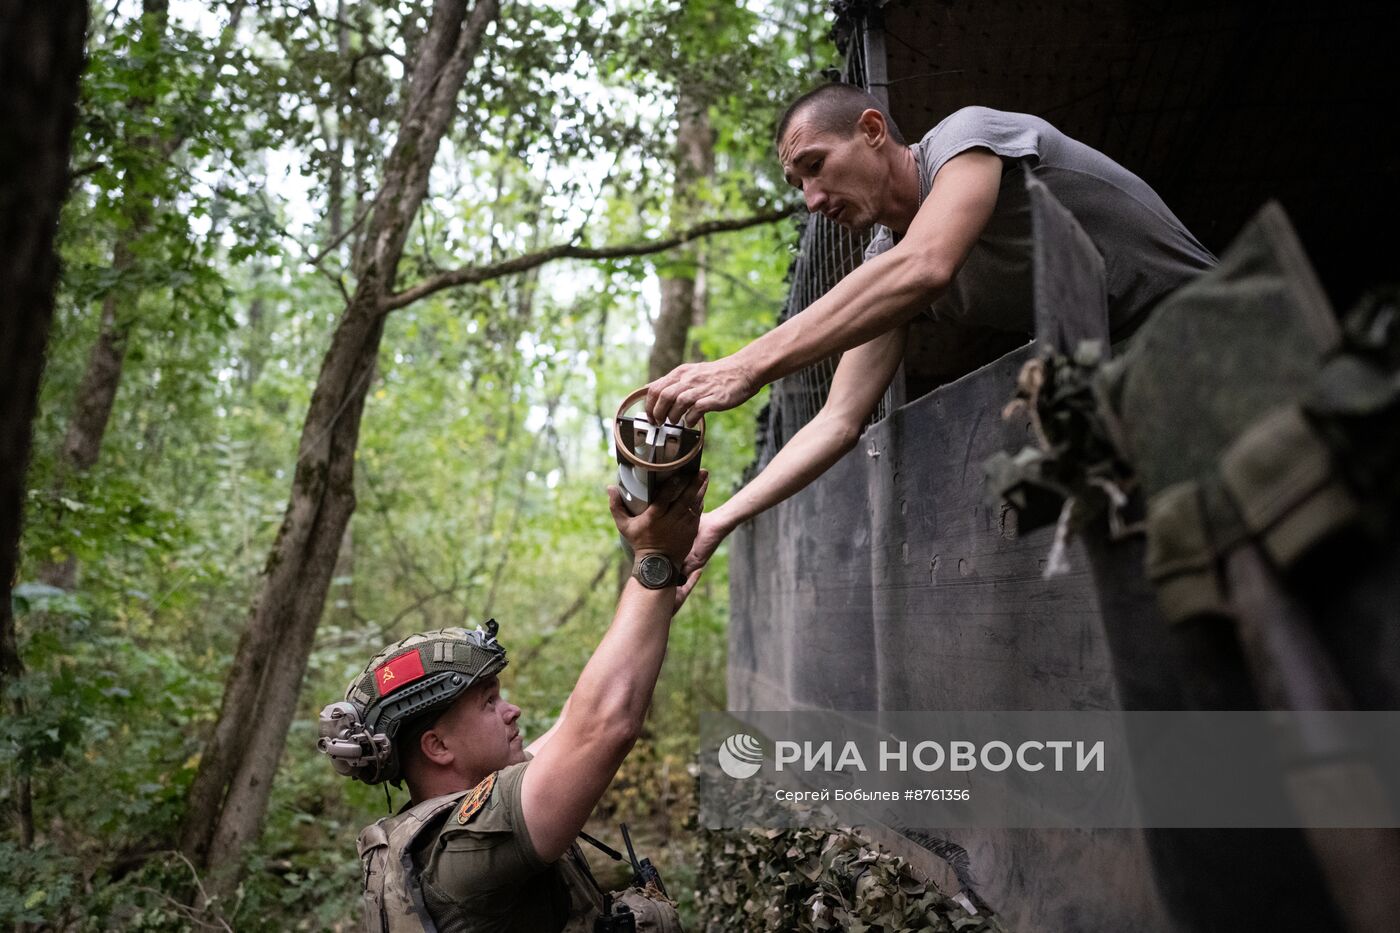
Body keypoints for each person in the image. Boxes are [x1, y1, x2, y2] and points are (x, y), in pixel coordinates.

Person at [644, 84, 1215, 578]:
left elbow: (927, 264)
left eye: (815, 166)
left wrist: (744, 366)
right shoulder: (886, 267)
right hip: (1132, 386)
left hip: (1215, 329)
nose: (813, 200)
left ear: (871, 130)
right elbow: (838, 422)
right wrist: (719, 521)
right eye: (798, 185)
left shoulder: (965, 140)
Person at [316, 471, 707, 932]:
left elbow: (571, 726)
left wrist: (651, 605)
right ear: (438, 747)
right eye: (488, 703)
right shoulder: (467, 847)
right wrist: (654, 561)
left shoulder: (454, 825)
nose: (512, 711)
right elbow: (603, 727)